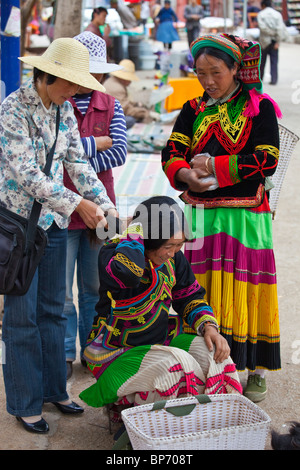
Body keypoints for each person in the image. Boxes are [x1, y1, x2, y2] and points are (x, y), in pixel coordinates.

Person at [0, 37, 117, 434]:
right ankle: (25, 402)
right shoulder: (13, 109)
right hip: (17, 228)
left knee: (53, 310)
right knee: (21, 318)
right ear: (46, 75)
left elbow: (78, 163)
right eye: (69, 82)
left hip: (51, 224)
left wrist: (105, 204)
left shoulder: (64, 110)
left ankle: (54, 389)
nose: (76, 90)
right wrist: (77, 205)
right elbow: (26, 174)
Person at [161, 34, 283, 403]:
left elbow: (267, 158)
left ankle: (255, 368)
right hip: (199, 214)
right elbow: (172, 150)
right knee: (197, 287)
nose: (208, 81)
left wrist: (215, 165)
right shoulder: (193, 107)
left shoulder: (258, 108)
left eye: (216, 72)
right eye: (201, 73)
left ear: (236, 69)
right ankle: (205, 367)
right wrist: (185, 175)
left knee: (246, 289)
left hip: (244, 215)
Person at [79, 196, 242, 414]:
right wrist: (135, 229)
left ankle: (212, 422)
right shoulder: (113, 255)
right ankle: (142, 425)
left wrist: (209, 328)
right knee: (176, 366)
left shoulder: (174, 259)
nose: (173, 253)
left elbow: (190, 297)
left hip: (161, 340)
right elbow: (129, 274)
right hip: (116, 352)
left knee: (215, 356)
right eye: (168, 246)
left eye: (179, 245)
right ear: (147, 238)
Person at [63, 32, 127, 379]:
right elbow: (54, 155)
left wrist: (77, 150)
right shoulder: (60, 103)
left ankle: (92, 350)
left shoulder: (111, 104)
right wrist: (94, 143)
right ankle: (64, 355)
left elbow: (119, 152)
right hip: (61, 210)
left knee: (95, 288)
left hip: (104, 210)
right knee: (60, 293)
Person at [103, 59, 156, 129]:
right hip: (107, 119)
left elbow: (124, 102)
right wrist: (146, 113)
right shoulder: (118, 88)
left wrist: (135, 104)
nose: (130, 82)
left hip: (107, 114)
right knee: (130, 120)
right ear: (124, 78)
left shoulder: (112, 81)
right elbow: (126, 110)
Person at [257, 0, 287, 85]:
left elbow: (262, 27)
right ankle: (274, 79)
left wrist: (270, 32)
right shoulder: (277, 14)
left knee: (262, 62)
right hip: (274, 41)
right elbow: (280, 29)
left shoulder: (261, 14)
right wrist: (278, 41)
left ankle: (260, 79)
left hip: (264, 41)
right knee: (274, 61)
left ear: (263, 5)